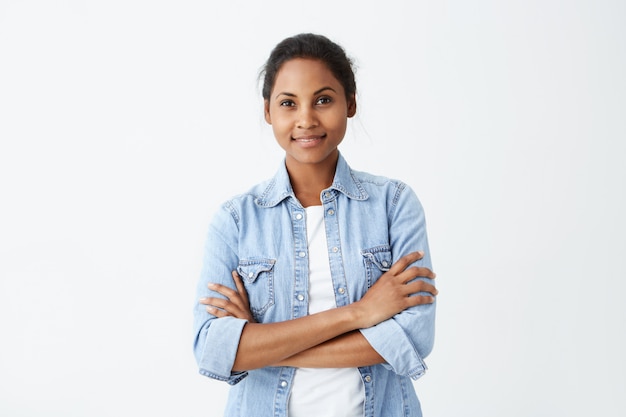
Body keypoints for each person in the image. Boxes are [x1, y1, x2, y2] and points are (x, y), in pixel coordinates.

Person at [193, 33, 438, 417]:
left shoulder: (393, 204)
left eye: (323, 100)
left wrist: (260, 346)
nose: (306, 119)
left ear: (350, 103)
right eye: (288, 103)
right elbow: (213, 349)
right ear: (268, 112)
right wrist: (359, 314)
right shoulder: (236, 221)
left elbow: (413, 336)